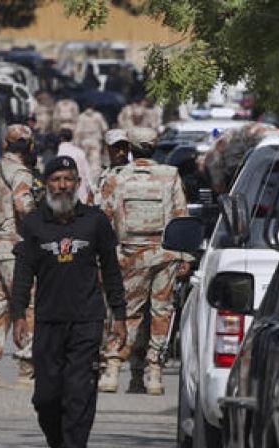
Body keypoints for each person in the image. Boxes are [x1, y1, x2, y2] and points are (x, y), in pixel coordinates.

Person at [11, 155, 127, 448]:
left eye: (68, 179)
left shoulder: (95, 221)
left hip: (86, 321)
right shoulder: (35, 223)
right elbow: (24, 272)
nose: (62, 186)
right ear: (46, 184)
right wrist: (18, 314)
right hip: (49, 321)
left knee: (80, 392)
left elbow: (111, 271)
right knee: (46, 397)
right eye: (56, 180)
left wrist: (120, 315)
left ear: (77, 183)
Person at [98, 127, 193, 395]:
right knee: (162, 313)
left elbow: (103, 219)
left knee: (127, 313)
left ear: (129, 147)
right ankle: (154, 374)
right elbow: (181, 216)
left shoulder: (116, 177)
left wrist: (102, 258)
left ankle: (113, 369)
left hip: (130, 255)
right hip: (165, 255)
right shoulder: (170, 175)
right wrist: (185, 257)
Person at [0, 124, 38, 389]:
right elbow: (24, 207)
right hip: (14, 249)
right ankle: (26, 369)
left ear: (4, 144)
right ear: (30, 147)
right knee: (27, 304)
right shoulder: (20, 173)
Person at [92, 129, 131, 207]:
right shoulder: (100, 178)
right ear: (108, 149)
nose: (121, 152)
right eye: (117, 148)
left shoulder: (134, 173)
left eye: (124, 147)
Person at [73, 102, 109, 180]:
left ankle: (84, 179)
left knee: (84, 163)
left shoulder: (81, 117)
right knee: (95, 164)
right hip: (95, 141)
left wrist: (76, 145)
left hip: (84, 142)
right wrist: (106, 143)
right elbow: (105, 129)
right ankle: (94, 180)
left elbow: (77, 132)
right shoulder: (98, 116)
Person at [55, 128, 91, 203]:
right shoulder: (80, 152)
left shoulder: (57, 153)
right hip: (81, 195)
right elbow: (88, 175)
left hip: (63, 198)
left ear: (60, 138)